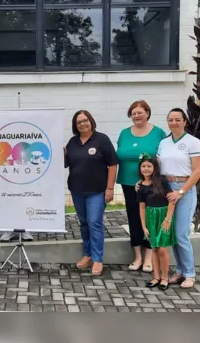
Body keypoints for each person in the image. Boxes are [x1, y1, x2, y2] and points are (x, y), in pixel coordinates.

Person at [65, 110, 119, 276]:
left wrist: (110, 188)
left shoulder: (101, 140)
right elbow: (65, 163)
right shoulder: (73, 142)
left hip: (97, 191)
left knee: (94, 223)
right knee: (84, 223)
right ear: (75, 126)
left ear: (91, 121)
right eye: (79, 122)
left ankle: (98, 259)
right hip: (77, 190)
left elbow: (113, 164)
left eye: (85, 120)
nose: (83, 124)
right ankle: (87, 255)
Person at [115, 100, 167, 272]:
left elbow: (162, 159)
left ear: (147, 113)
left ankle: (149, 258)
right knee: (134, 218)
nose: (136, 116)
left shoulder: (158, 132)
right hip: (128, 183)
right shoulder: (124, 133)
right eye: (133, 113)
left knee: (150, 219)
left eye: (139, 112)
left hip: (150, 184)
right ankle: (137, 256)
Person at [157, 108, 200, 289]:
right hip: (166, 189)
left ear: (184, 121)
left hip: (185, 190)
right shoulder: (164, 143)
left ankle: (190, 274)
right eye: (170, 120)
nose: (174, 123)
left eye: (177, 119)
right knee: (172, 234)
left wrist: (181, 192)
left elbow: (198, 171)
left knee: (181, 234)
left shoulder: (193, 142)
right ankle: (180, 271)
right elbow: (158, 166)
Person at [137, 155, 176, 291]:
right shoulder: (140, 186)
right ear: (140, 168)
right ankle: (156, 276)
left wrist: (168, 219)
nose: (146, 169)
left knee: (162, 249)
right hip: (150, 218)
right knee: (154, 248)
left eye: (149, 166)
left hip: (164, 217)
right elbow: (142, 207)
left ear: (154, 168)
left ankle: (165, 277)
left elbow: (172, 200)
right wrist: (144, 226)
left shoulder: (162, 181)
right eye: (143, 166)